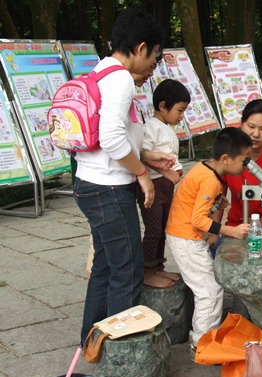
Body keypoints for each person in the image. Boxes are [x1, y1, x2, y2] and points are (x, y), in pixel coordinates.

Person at [74, 8, 174, 345]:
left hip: (91, 183)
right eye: (155, 56)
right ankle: (120, 353)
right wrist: (142, 174)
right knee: (128, 269)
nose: (154, 65)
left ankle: (93, 341)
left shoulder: (100, 71)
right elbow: (111, 139)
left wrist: (145, 157)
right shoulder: (120, 79)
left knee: (106, 265)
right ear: (141, 47)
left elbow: (112, 140)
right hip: (109, 190)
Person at [165, 128, 252, 346]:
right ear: (226, 159)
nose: (246, 165)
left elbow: (195, 202)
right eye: (244, 160)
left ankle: (204, 341)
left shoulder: (205, 168)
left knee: (209, 289)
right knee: (209, 292)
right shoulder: (211, 181)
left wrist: (217, 203)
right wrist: (230, 230)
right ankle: (203, 345)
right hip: (186, 238)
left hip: (184, 235)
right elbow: (198, 220)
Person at [136, 79, 190, 288]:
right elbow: (142, 155)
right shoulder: (151, 127)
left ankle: (158, 267)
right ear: (162, 106)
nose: (181, 115)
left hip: (166, 187)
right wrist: (164, 171)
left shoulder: (166, 127)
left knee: (163, 229)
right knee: (153, 230)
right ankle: (147, 270)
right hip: (153, 186)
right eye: (179, 110)